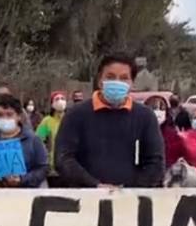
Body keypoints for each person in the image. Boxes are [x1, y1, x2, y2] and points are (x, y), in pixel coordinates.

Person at [55, 53, 165, 188]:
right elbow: (64, 159)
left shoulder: (145, 117)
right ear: (100, 80)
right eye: (110, 77)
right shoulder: (76, 114)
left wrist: (126, 190)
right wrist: (95, 185)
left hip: (130, 202)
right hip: (84, 200)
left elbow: (155, 163)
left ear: (132, 83)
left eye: (124, 78)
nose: (117, 82)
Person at [0, 95, 49, 188]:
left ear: (19, 116)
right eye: (0, 115)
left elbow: (43, 168)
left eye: (9, 114)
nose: (5, 118)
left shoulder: (32, 139)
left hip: (22, 194)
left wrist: (23, 179)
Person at [36, 91, 68, 187]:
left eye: (62, 99)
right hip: (52, 167)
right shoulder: (47, 121)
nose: (60, 101)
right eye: (57, 99)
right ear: (52, 104)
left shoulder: (70, 119)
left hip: (69, 165)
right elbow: (38, 140)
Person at [148, 95, 186, 168]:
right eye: (154, 108)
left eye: (161, 108)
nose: (158, 112)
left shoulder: (172, 134)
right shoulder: (139, 131)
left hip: (168, 172)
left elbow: (180, 153)